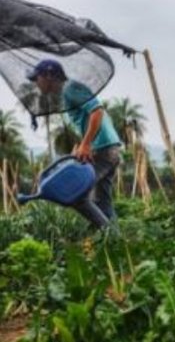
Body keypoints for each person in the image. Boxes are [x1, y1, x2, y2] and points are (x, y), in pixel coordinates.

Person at [27, 59, 121, 229]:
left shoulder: (70, 88)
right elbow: (87, 119)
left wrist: (86, 144)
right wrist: (82, 145)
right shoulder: (66, 94)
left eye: (37, 78)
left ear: (49, 76)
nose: (36, 83)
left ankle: (111, 236)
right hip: (106, 149)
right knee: (102, 201)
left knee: (75, 194)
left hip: (103, 150)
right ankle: (117, 243)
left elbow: (97, 111)